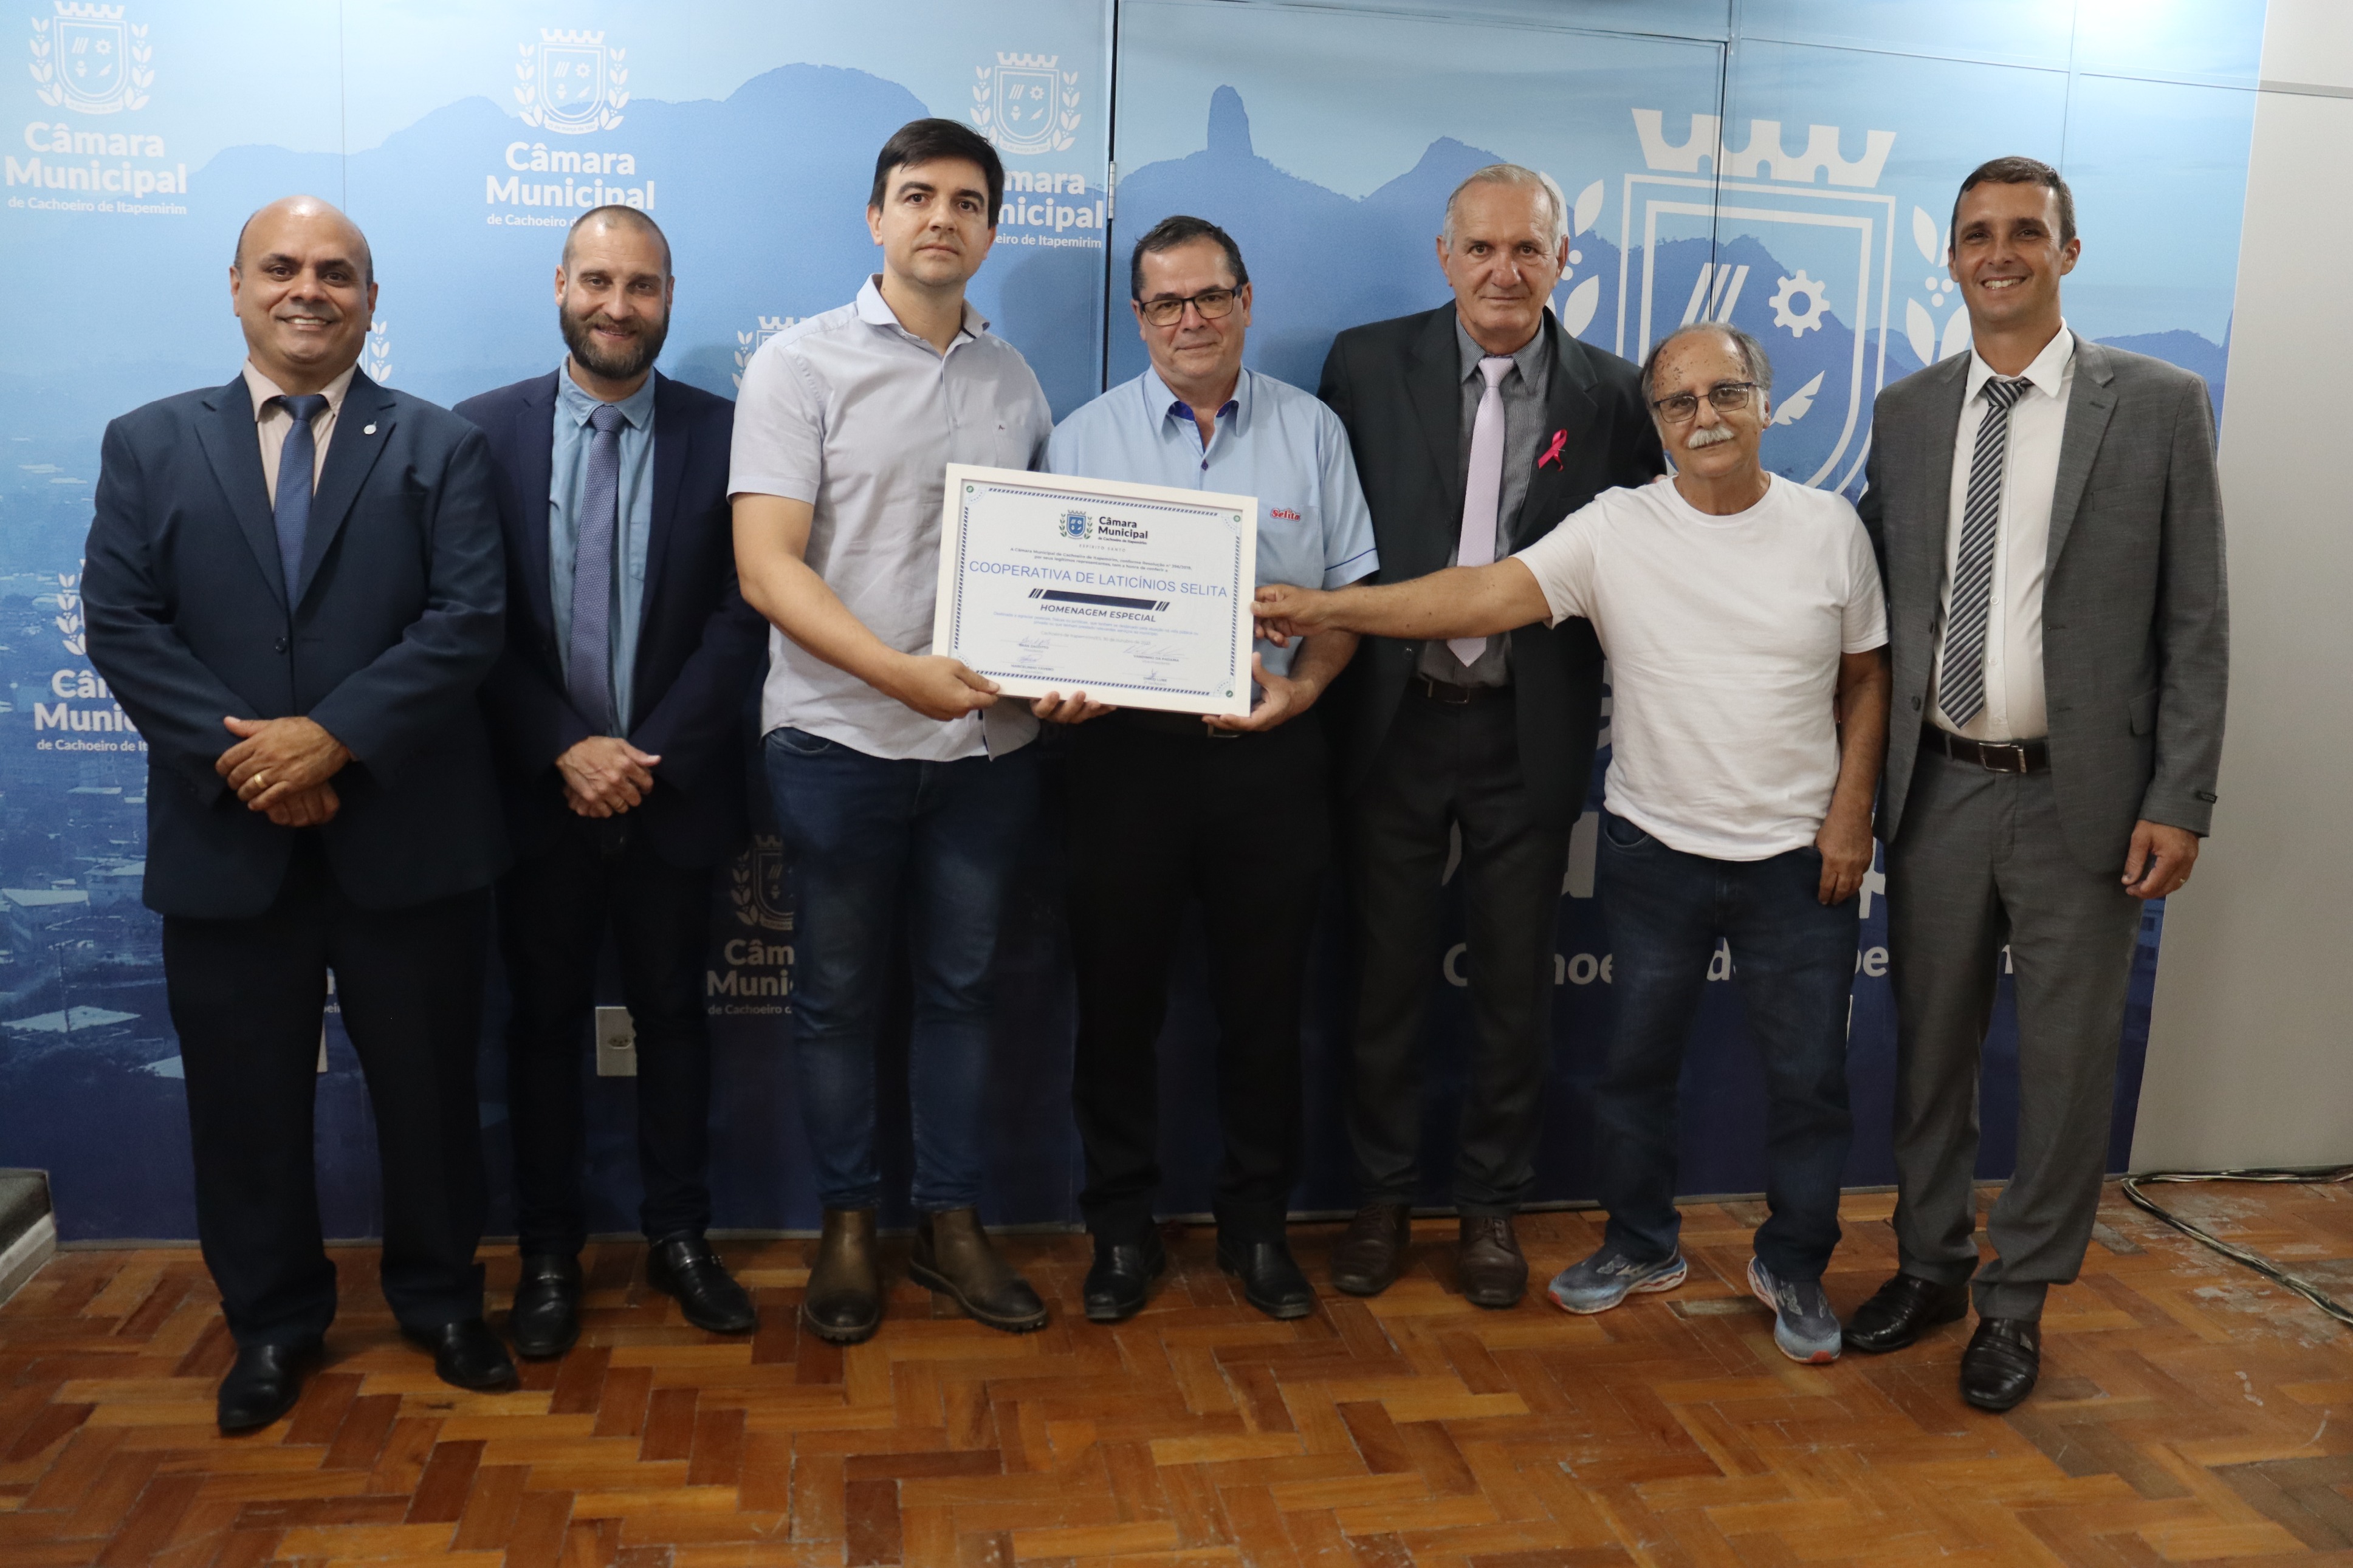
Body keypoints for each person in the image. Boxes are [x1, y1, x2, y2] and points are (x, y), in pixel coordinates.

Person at [1258, 323, 1890, 1362]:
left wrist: (1852, 813)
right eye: (1679, 402)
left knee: (1810, 1082)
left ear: (1766, 402)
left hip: (1797, 859)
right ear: (1656, 425)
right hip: (1654, 850)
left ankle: (1795, 1265)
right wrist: (1329, 605)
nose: (1705, 417)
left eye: (1727, 393)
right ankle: (1641, 1243)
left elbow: (1867, 676)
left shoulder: (1831, 527)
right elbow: (1476, 592)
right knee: (1633, 1071)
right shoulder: (1615, 527)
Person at [83, 196, 514, 1432]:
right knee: (243, 1105)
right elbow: (122, 623)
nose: (307, 289)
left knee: (430, 1097)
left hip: (406, 834)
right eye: (281, 267)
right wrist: (257, 761)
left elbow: (467, 622)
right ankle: (272, 1324)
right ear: (236, 286)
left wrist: (334, 738)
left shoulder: (440, 445)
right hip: (229, 840)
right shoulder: (146, 442)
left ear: (372, 300)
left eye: (337, 271)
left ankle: (442, 1301)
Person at [1845, 157, 2227, 1409]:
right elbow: (1872, 605)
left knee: (2064, 1068)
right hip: (1939, 790)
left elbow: (2196, 620)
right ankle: (1931, 1264)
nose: (1998, 252)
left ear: (2068, 251)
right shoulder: (1907, 412)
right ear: (1950, 257)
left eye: (2024, 231)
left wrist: (2179, 796)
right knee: (1928, 1054)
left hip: (2090, 800)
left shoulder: (2158, 406)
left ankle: (2016, 1303)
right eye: (1976, 234)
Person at [1315, 165, 1666, 1307]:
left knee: (1516, 989)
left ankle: (1489, 1208)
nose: (1504, 271)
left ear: (1564, 258)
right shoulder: (1366, 365)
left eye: (1528, 249)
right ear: (1445, 256)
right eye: (1481, 248)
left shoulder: (1618, 396)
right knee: (1384, 982)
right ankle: (1379, 1200)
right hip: (1393, 724)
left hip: (1530, 731)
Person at [729, 119, 1055, 1343]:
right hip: (838, 741)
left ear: (991, 229)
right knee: (835, 999)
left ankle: (952, 1225)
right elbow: (767, 567)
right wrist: (899, 677)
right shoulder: (797, 366)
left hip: (984, 755)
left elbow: (1042, 576)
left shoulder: (1015, 380)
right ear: (877, 218)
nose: (941, 219)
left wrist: (1060, 672)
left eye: (967, 202)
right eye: (917, 196)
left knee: (962, 994)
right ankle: (849, 1228)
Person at [1039, 216, 1378, 1323]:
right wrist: (1058, 679)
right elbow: (1046, 610)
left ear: (1245, 302)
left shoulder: (1313, 431)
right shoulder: (1080, 440)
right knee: (1117, 1010)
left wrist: (1308, 690)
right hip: (1122, 762)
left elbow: (1346, 601)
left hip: (1268, 758)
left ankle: (1257, 1227)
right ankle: (1120, 1230)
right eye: (1167, 303)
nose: (1191, 321)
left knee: (1266, 1011)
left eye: (1210, 298)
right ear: (1139, 318)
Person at [456, 207, 769, 1358]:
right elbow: (466, 620)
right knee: (540, 1026)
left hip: (671, 792)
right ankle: (548, 1253)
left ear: (669, 297)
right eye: (597, 281)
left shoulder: (730, 436)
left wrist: (647, 756)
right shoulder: (477, 434)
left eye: (641, 285)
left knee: (675, 1020)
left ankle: (680, 1237)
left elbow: (746, 613)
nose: (617, 305)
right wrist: (564, 746)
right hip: (536, 795)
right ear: (560, 285)